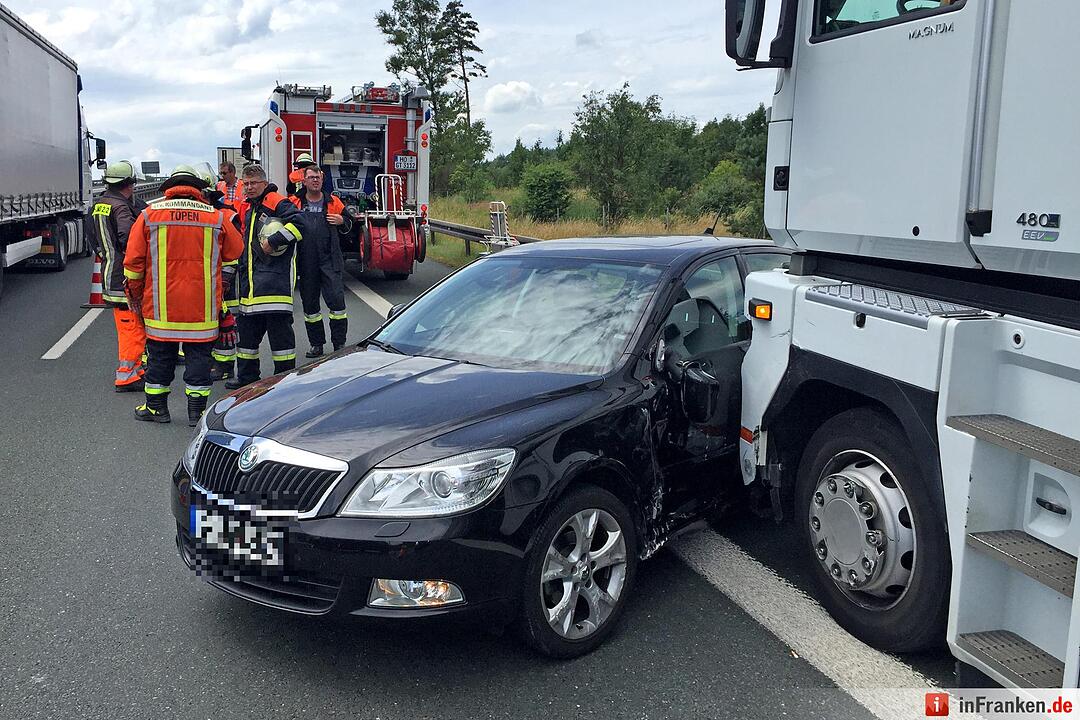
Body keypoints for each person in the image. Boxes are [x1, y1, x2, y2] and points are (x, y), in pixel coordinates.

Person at [122, 166, 243, 425]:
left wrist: (134, 296)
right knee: (199, 360)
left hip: (160, 308)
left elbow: (133, 264)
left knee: (159, 358)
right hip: (203, 308)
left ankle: (156, 409)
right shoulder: (216, 217)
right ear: (198, 189)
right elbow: (235, 251)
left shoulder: (149, 215)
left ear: (169, 189)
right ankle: (196, 413)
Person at [226, 163, 306, 390]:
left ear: (263, 183)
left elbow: (300, 224)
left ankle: (284, 381)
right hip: (252, 290)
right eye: (246, 183)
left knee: (281, 343)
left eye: (254, 183)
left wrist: (274, 241)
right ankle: (246, 379)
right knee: (247, 342)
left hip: (273, 288)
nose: (249, 187)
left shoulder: (274, 200)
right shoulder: (252, 206)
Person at [90, 160, 148, 392]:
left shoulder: (99, 205)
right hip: (122, 278)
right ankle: (127, 376)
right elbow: (129, 239)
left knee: (129, 327)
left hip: (109, 275)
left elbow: (93, 241)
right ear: (130, 184)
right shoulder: (121, 208)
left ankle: (135, 370)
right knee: (132, 328)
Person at [292, 166, 352, 357]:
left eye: (317, 177)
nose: (315, 181)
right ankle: (316, 345)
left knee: (337, 306)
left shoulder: (333, 201)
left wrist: (342, 220)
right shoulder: (295, 202)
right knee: (310, 308)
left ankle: (339, 344)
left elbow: (350, 224)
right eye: (311, 177)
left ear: (322, 179)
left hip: (330, 260)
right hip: (306, 261)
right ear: (304, 181)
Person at [201, 171, 242, 381]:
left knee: (227, 323)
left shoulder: (226, 215)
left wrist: (225, 280)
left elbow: (234, 250)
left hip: (227, 282)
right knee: (211, 323)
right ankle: (215, 362)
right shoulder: (202, 216)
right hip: (208, 281)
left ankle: (225, 366)